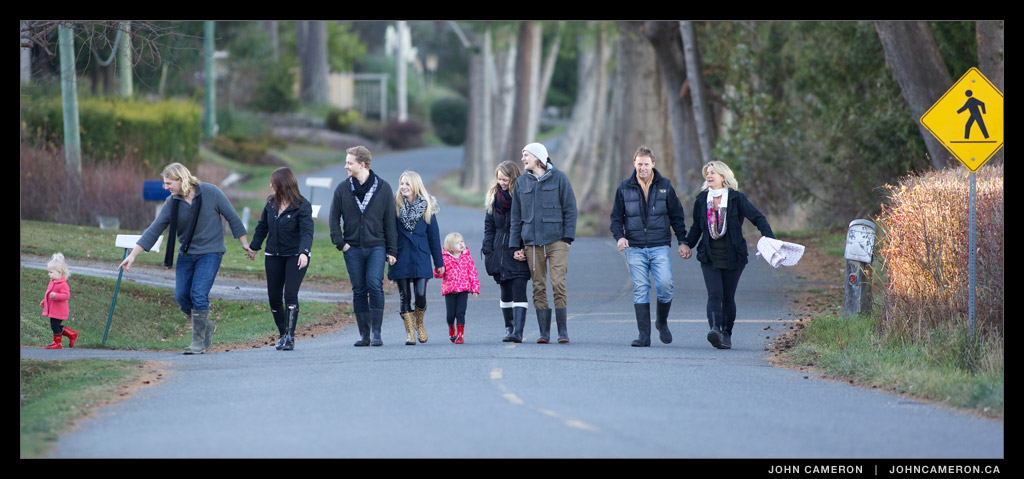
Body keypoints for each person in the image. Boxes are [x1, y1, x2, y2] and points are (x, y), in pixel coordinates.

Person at [119, 162, 252, 355]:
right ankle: (205, 325)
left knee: (198, 293)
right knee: (181, 296)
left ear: (181, 179)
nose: (166, 187)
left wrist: (244, 243)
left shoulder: (211, 192)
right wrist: (132, 255)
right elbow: (154, 229)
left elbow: (232, 217)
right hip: (187, 254)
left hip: (210, 252)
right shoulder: (172, 202)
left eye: (168, 183)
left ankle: (198, 341)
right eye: (164, 184)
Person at [679, 161, 775, 349]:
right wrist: (686, 244)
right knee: (714, 294)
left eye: (713, 172)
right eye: (707, 172)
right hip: (709, 255)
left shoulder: (736, 199)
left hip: (734, 256)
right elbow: (697, 227)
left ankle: (726, 333)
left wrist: (770, 239)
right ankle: (714, 330)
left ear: (723, 176)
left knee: (728, 296)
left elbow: (758, 218)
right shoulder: (701, 200)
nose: (709, 175)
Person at [609, 146, 688, 347]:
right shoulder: (624, 187)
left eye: (646, 164)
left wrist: (683, 241)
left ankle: (661, 321)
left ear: (653, 164)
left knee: (665, 285)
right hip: (634, 247)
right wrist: (619, 237)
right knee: (641, 288)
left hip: (659, 245)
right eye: (639, 164)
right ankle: (644, 336)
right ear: (634, 164)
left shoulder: (665, 186)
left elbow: (677, 216)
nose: (642, 168)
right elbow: (616, 218)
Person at [328, 146, 398, 347]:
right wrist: (340, 244)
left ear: (362, 164)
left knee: (374, 285)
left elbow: (390, 222)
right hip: (352, 248)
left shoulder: (383, 188)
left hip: (377, 247)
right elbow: (333, 218)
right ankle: (364, 335)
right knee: (359, 289)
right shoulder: (342, 189)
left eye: (349, 163)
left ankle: (377, 333)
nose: (346, 166)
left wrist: (392, 250)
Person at [509, 142, 577, 344]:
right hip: (531, 243)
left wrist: (567, 238)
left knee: (558, 283)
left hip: (557, 240)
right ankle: (544, 333)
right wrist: (516, 245)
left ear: (538, 157)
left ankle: (562, 331)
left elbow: (570, 209)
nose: (522, 159)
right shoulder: (521, 183)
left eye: (526, 155)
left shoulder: (559, 178)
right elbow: (516, 217)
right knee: (538, 286)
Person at [247, 167, 314, 351]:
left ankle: (290, 338)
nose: (270, 185)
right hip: (273, 256)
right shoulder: (271, 203)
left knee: (290, 295)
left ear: (283, 184)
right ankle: (283, 333)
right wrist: (254, 247)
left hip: (295, 256)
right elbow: (262, 227)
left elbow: (307, 232)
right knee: (274, 298)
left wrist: (304, 252)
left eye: (273, 182)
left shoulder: (302, 205)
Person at [388, 170, 444, 346]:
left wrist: (439, 263)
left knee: (420, 295)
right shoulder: (394, 205)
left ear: (415, 186)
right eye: (401, 184)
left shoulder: (427, 207)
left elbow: (434, 238)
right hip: (400, 255)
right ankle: (410, 332)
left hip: (420, 255)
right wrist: (389, 253)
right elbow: (388, 232)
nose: (403, 187)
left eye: (407, 184)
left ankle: (419, 323)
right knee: (405, 296)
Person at [481, 161, 531, 343]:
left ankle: (518, 331)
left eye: (505, 179)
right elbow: (489, 226)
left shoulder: (523, 196)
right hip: (499, 252)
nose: (501, 182)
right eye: (499, 179)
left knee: (519, 288)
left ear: (513, 178)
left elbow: (528, 225)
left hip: (518, 251)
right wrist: (488, 249)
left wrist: (523, 248)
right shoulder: (493, 198)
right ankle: (509, 328)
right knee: (505, 291)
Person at [434, 232, 480, 344]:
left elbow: (473, 274)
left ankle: (460, 335)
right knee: (450, 315)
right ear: (449, 247)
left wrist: (475, 289)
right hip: (450, 290)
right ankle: (451, 328)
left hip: (463, 290)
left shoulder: (467, 259)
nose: (461, 244)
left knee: (460, 313)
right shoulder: (444, 259)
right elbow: (438, 274)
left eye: (462, 242)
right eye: (457, 243)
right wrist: (439, 271)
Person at [41, 253, 77, 349]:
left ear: (59, 272)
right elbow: (48, 294)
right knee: (54, 325)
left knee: (55, 326)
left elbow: (66, 296)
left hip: (59, 310)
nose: (49, 274)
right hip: (53, 309)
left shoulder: (63, 284)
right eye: (48, 272)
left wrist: (56, 296)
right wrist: (44, 301)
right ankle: (71, 334)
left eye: (51, 272)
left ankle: (58, 343)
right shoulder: (52, 282)